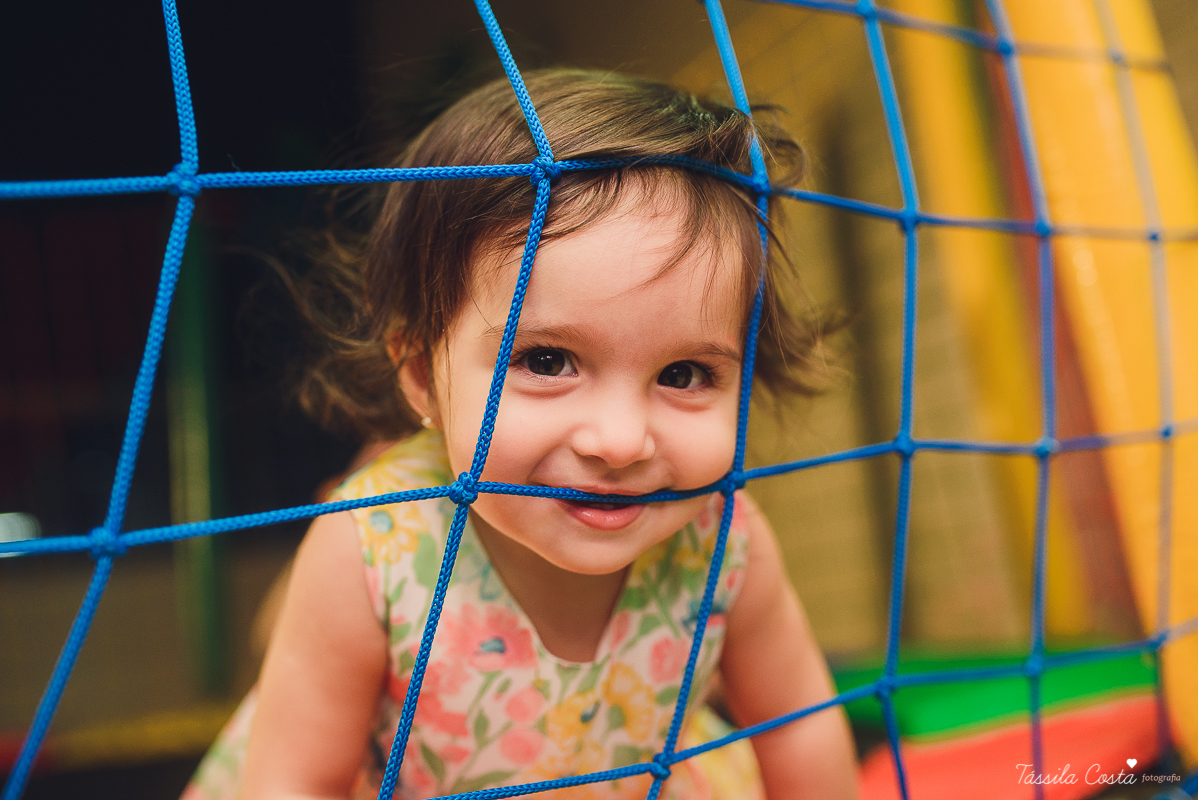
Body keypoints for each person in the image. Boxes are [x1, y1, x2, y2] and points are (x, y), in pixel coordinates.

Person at [182, 69, 857, 800]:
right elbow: (292, 784)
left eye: (686, 374)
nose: (620, 440)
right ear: (418, 374)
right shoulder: (371, 548)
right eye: (546, 361)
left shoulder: (725, 538)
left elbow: (799, 722)